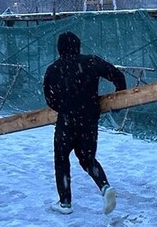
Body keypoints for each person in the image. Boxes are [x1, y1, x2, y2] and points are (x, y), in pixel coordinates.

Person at [43, 32, 127, 215]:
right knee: (87, 158)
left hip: (66, 122)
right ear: (78, 46)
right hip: (89, 120)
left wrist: (65, 106)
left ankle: (65, 203)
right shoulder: (91, 62)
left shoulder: (53, 69)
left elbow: (50, 99)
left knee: (61, 159)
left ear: (60, 49)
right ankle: (105, 187)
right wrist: (120, 98)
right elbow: (118, 75)